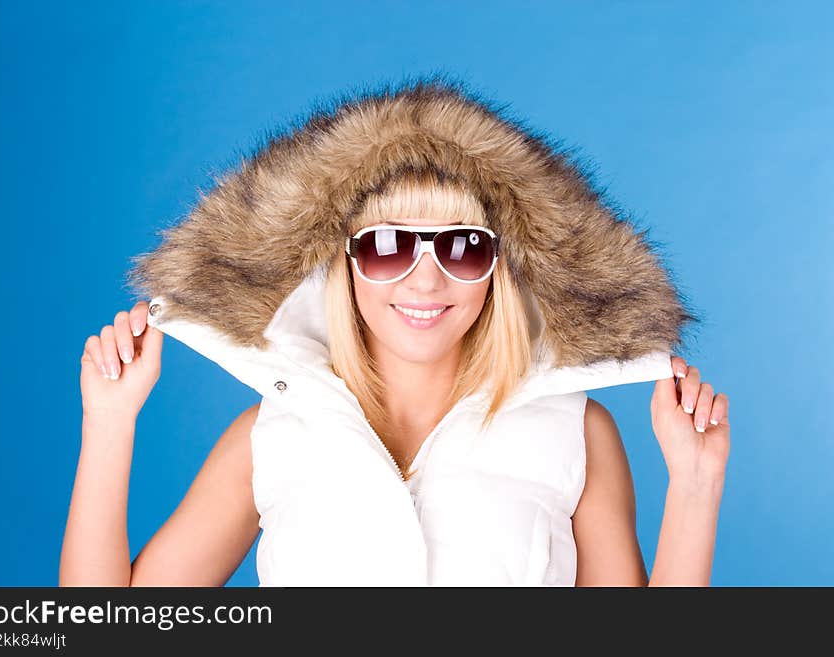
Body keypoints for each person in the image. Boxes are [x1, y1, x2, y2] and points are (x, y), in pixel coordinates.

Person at [60, 76, 730, 587]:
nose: (425, 280)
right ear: (342, 262)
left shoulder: (576, 432)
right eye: (387, 245)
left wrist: (695, 486)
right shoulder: (270, 436)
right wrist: (109, 422)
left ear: (499, 266)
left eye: (462, 246)